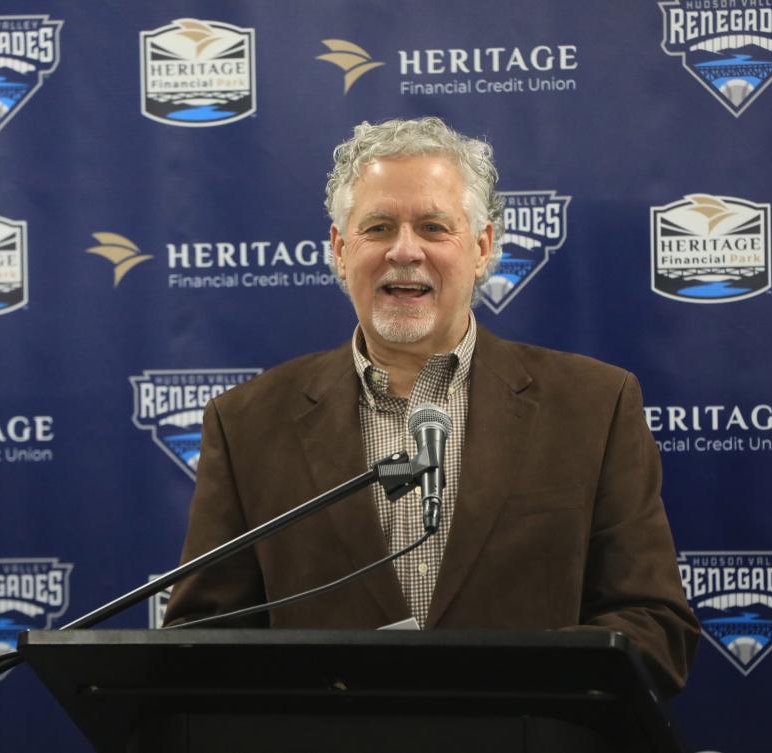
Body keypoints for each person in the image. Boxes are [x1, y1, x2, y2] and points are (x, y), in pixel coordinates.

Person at [163, 117, 699, 698]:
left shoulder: (594, 406)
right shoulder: (245, 423)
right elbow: (202, 641)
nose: (404, 251)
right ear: (341, 251)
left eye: (434, 227)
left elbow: (654, 628)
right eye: (378, 227)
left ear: (482, 248)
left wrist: (494, 689)